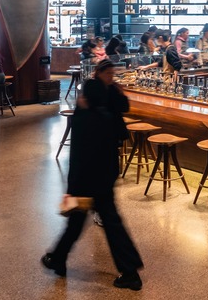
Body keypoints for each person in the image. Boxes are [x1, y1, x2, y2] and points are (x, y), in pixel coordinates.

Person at [42, 59, 144, 290]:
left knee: (95, 221)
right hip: (104, 174)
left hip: (88, 178)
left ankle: (130, 272)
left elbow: (79, 155)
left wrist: (72, 186)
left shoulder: (85, 118)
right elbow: (121, 122)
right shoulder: (107, 114)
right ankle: (59, 258)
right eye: (108, 73)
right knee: (91, 221)